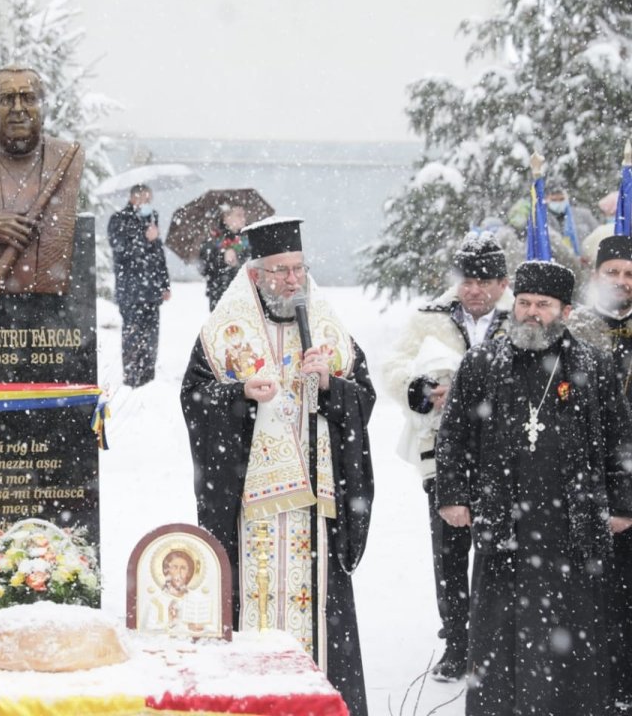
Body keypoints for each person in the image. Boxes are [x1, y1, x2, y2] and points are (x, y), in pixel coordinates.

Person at [180, 217, 374, 715]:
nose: (293, 281)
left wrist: (331, 386)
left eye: (299, 269)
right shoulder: (225, 333)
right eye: (281, 271)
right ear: (255, 276)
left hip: (316, 510)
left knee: (322, 624)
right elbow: (194, 399)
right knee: (252, 611)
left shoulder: (327, 328)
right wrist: (240, 395)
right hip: (252, 513)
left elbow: (364, 398)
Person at [435, 260, 632, 716]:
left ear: (564, 310)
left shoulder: (591, 365)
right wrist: (453, 494)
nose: (531, 313)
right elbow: (453, 435)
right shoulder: (482, 362)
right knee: (498, 633)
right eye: (524, 303)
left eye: (543, 305)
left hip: (573, 526)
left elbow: (622, 441)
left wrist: (621, 504)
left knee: (573, 636)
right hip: (504, 523)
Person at [379, 232, 510, 682]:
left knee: (500, 550)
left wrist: (481, 392)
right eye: (466, 280)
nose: (473, 289)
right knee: (449, 552)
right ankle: (457, 640)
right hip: (444, 452)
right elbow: (393, 366)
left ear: (502, 283)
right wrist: (419, 389)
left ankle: (497, 641)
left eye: (484, 280)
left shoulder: (520, 316)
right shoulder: (429, 317)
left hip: (507, 455)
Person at [567, 233, 632, 710]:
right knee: (598, 596)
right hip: (590, 482)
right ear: (596, 275)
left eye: (631, 274)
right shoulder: (572, 331)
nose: (623, 282)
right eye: (613, 272)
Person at [0, 65, 85, 297]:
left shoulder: (68, 158)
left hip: (51, 302)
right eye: (7, 99)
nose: (18, 108)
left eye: (28, 98)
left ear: (43, 108)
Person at [108, 184, 171, 387]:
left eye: (149, 200)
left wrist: (164, 283)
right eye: (144, 199)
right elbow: (121, 251)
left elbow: (158, 254)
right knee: (133, 333)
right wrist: (144, 239)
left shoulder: (151, 219)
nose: (147, 204)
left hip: (151, 290)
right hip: (131, 290)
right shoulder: (119, 220)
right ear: (134, 197)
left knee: (151, 335)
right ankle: (132, 375)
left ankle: (148, 376)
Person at [198, 204, 248, 310]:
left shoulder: (248, 239)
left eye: (244, 215)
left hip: (244, 297)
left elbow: (255, 264)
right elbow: (203, 268)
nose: (243, 219)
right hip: (219, 296)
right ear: (225, 218)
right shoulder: (213, 240)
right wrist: (221, 256)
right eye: (238, 215)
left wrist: (238, 262)